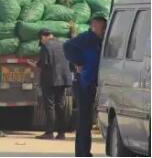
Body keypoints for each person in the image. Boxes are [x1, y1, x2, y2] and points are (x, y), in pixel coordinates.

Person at [63, 16, 107, 157]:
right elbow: (67, 46)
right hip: (82, 83)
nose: (104, 30)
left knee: (86, 120)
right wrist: (78, 62)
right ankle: (82, 153)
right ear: (95, 26)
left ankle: (84, 152)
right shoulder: (87, 38)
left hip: (90, 83)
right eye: (103, 27)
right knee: (84, 120)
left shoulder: (98, 41)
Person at [35, 29, 72, 140]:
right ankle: (61, 133)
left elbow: (45, 63)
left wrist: (37, 64)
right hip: (63, 79)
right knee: (60, 105)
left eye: (41, 40)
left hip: (50, 80)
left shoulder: (46, 46)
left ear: (43, 37)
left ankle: (49, 132)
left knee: (49, 106)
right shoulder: (63, 44)